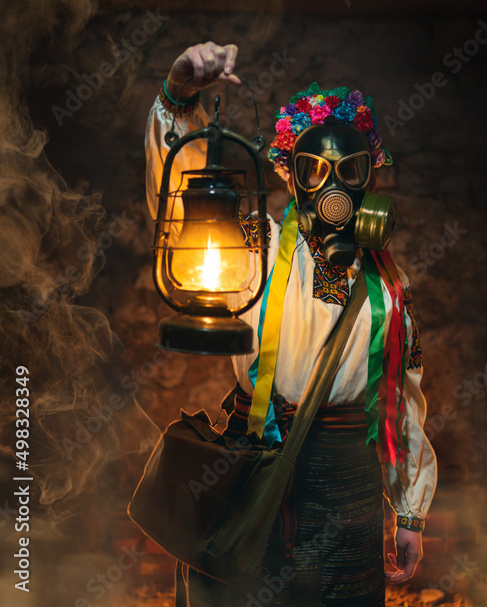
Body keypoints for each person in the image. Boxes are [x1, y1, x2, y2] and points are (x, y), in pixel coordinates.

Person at [145, 41, 437, 606]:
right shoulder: (253, 246)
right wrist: (179, 97)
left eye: (349, 170)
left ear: (370, 178)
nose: (333, 189)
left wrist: (410, 512)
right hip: (257, 472)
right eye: (315, 170)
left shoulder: (390, 291)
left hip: (347, 484)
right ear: (288, 173)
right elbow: (180, 205)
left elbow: (404, 403)